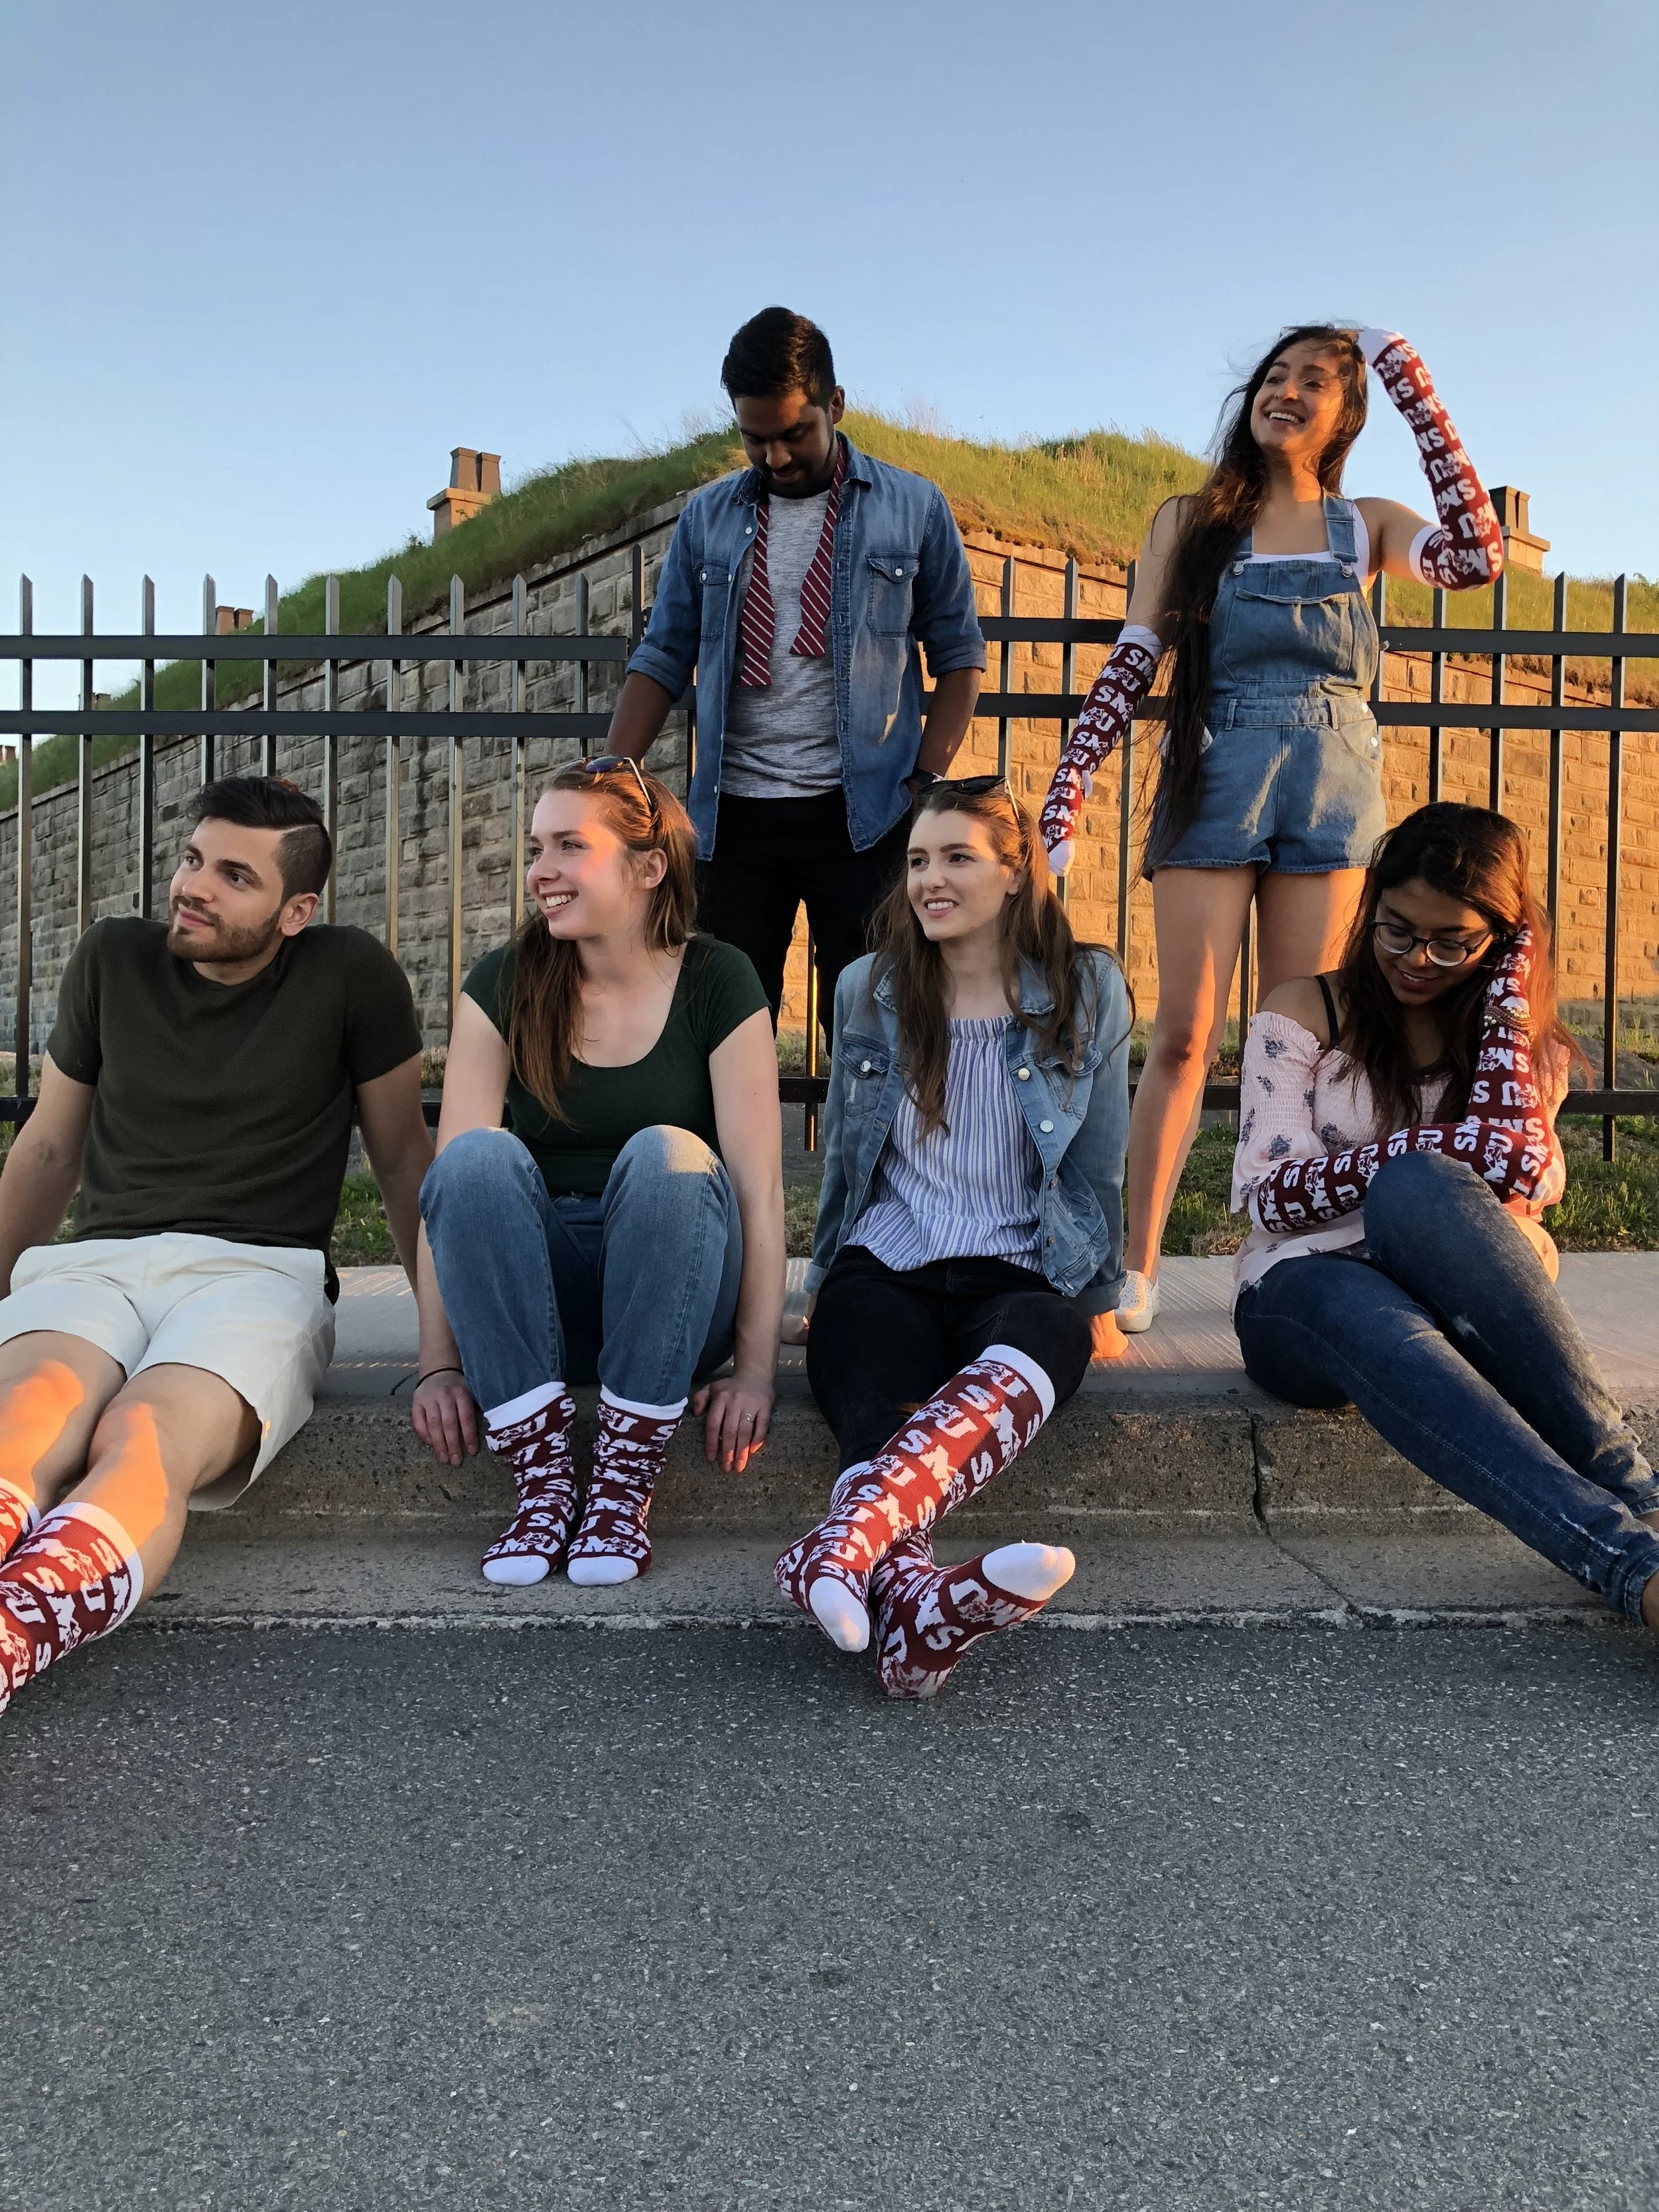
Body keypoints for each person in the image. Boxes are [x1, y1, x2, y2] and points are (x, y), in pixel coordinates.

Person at [1039, 325, 1507, 1334]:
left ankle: (1281, 1243)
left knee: (1296, 1038)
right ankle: (1139, 1264)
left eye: (1318, 382)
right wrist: (1070, 782)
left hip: (1335, 794)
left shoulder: (1366, 526)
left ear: (1347, 418)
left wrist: (1412, 382)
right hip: (1219, 777)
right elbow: (1134, 657)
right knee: (1184, 1032)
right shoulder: (1189, 522)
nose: (1288, 392)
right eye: (1277, 375)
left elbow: (1478, 556)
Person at [0, 776, 431, 1718]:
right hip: (96, 1263)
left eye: (235, 875)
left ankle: (15, 1633)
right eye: (194, 859)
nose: (194, 886)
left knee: (144, 1435)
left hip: (257, 1273)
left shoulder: (349, 973)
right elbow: (46, 1147)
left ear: (295, 911)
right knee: (29, 1412)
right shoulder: (113, 958)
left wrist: (439, 1353)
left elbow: (404, 1161)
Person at [1230, 802, 1659, 1628]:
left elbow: (1527, 1179)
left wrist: (1508, 1005)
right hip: (1302, 1294)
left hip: (1442, 1292)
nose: (1415, 960)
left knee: (1418, 1188)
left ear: (1500, 939)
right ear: (1371, 913)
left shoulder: (1517, 1044)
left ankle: (1636, 1492)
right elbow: (1273, 1198)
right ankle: (1630, 1565)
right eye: (1395, 930)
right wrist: (1441, 1147)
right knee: (1405, 1194)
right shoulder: (1302, 1010)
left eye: (1452, 942)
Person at [777, 778, 1131, 1698]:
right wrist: (821, 1286)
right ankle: (926, 1615)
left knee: (1038, 1350)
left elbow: (1098, 1164)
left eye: (958, 858)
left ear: (1017, 874)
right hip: (886, 1260)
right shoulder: (869, 988)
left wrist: (1098, 1305)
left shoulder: (1086, 988)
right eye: (920, 861)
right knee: (879, 1414)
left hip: (1022, 1266)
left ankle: (841, 1547)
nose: (930, 880)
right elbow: (850, 1164)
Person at [412, 758, 785, 1587]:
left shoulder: (718, 980)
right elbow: (448, 1195)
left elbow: (759, 1195)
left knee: (668, 1153)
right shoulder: (503, 983)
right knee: (475, 1154)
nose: (541, 871)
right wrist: (440, 1362)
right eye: (537, 847)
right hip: (532, 1310)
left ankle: (622, 1483)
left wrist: (756, 1372)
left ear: (649, 868)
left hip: (675, 1293)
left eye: (569, 847)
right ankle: (543, 1482)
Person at [605, 305, 987, 1029]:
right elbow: (662, 654)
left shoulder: (912, 508)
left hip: (866, 818)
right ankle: (725, 1150)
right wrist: (610, 776)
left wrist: (925, 785)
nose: (775, 458)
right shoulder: (707, 518)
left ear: (834, 404)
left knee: (873, 1026)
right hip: (735, 820)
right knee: (723, 1028)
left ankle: (866, 1150)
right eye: (754, 439)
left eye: (793, 435)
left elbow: (961, 656)